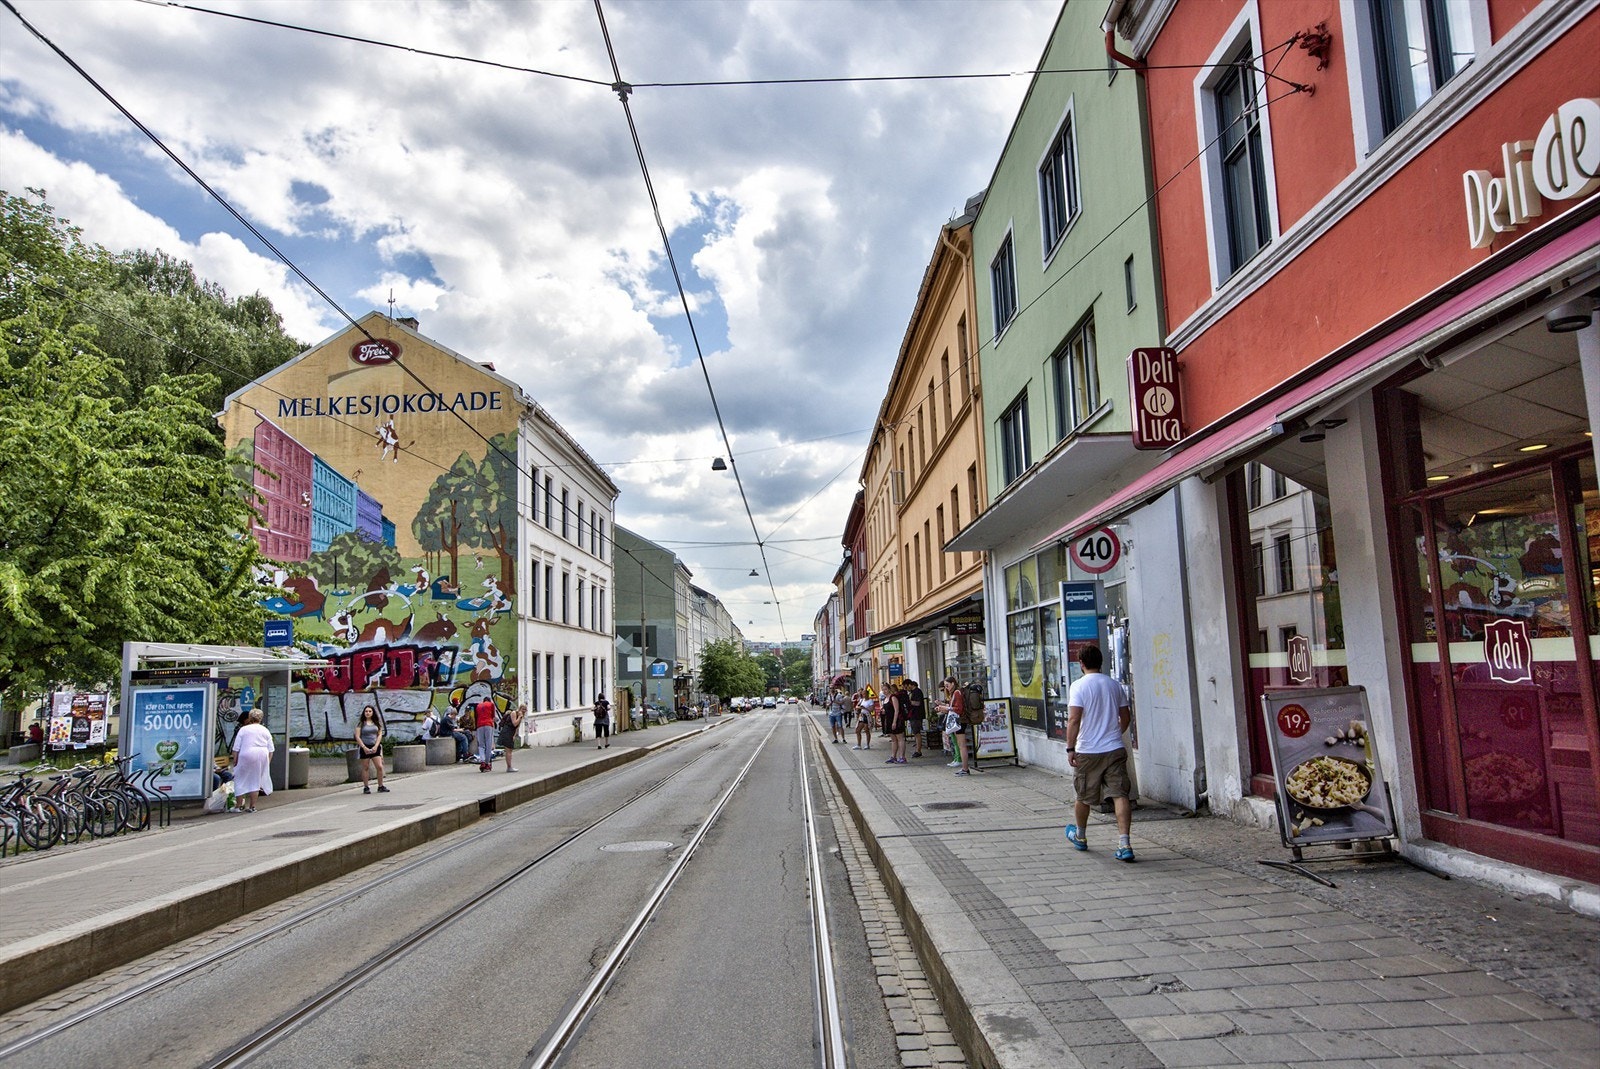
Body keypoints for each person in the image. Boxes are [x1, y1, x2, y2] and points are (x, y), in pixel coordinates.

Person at [1063, 644, 1135, 862]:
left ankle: (1081, 836)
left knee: (1083, 796)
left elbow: (1074, 719)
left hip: (1088, 750)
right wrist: (1114, 733)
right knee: (1119, 794)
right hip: (1114, 748)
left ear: (1081, 663)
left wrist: (1070, 747)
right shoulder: (1114, 686)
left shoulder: (1078, 686)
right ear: (1101, 661)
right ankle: (1124, 843)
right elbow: (1126, 717)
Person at [230, 710, 274, 812]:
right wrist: (267, 762)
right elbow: (271, 749)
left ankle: (239, 806)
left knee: (240, 779)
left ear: (250, 718)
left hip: (247, 754)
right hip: (262, 754)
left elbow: (236, 748)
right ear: (261, 718)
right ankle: (252, 806)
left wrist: (235, 761)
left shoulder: (244, 730)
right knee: (256, 780)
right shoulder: (265, 730)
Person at [937, 677, 973, 775]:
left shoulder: (957, 693)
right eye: (945, 686)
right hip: (961, 720)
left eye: (947, 685)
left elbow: (958, 709)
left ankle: (965, 769)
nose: (946, 687)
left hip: (960, 721)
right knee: (961, 745)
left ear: (953, 683)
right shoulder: (956, 692)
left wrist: (946, 708)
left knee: (962, 746)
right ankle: (964, 768)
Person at [355, 704, 388, 794]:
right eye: (366, 711)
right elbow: (357, 736)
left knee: (380, 767)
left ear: (373, 713)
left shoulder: (377, 723)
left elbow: (379, 735)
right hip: (365, 746)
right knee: (365, 767)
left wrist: (376, 746)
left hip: (375, 746)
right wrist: (364, 747)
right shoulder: (361, 724)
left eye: (370, 711)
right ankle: (366, 787)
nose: (368, 713)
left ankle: (380, 786)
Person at [882, 683, 908, 765]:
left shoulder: (893, 697)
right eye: (883, 690)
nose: (884, 691)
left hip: (896, 720)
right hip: (889, 720)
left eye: (885, 689)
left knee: (900, 738)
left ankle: (902, 757)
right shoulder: (885, 699)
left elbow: (897, 710)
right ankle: (893, 756)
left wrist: (894, 722)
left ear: (889, 689)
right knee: (893, 740)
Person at [472, 694, 497, 772]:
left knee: (481, 745)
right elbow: (493, 716)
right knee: (488, 743)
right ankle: (487, 762)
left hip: (479, 725)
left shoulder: (478, 706)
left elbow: (476, 716)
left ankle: (482, 761)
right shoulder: (491, 705)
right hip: (488, 724)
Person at [499, 703, 526, 772]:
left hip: (511, 733)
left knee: (510, 750)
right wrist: (519, 717)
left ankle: (509, 766)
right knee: (508, 750)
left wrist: (514, 735)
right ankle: (509, 767)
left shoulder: (521, 716)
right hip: (507, 731)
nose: (524, 711)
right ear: (520, 709)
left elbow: (517, 728)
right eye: (523, 709)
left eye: (525, 710)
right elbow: (514, 724)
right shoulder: (514, 713)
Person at [905, 680, 927, 757]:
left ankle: (918, 750)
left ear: (910, 685)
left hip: (917, 715)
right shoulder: (912, 692)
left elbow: (917, 703)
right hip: (913, 715)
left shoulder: (917, 691)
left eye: (906, 687)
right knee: (915, 732)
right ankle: (918, 748)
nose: (906, 689)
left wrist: (908, 701)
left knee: (917, 732)